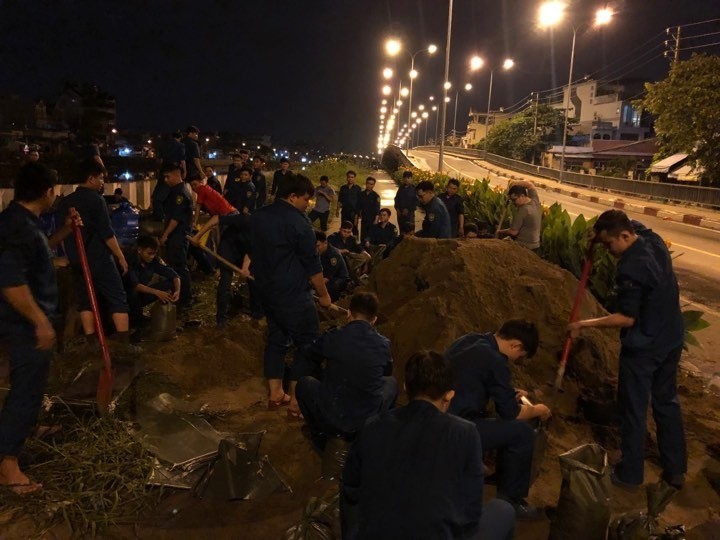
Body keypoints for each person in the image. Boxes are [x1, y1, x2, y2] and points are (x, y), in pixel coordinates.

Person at [568, 210, 686, 491]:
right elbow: (632, 223)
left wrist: (583, 323)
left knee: (633, 409)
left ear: (624, 236)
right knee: (666, 401)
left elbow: (626, 318)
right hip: (671, 338)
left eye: (610, 245)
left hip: (644, 347)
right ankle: (676, 470)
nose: (609, 252)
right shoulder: (653, 241)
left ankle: (630, 473)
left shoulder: (630, 268)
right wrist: (598, 237)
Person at [342, 350, 516, 540]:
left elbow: (351, 488)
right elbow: (471, 512)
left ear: (406, 387)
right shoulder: (465, 433)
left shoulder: (373, 425)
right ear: (449, 395)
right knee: (503, 509)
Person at [0, 163, 79, 495]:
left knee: (22, 386)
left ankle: (25, 429)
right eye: (55, 189)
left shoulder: (20, 223)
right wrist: (40, 321)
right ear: (48, 191)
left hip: (20, 323)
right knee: (26, 391)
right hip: (22, 326)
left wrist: (65, 230)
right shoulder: (17, 226)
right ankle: (7, 466)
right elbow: (10, 282)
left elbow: (39, 252)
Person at [446, 319, 551, 520]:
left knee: (498, 421)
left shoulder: (470, 340)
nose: (516, 359)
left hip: (443, 413)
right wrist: (538, 409)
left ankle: (485, 467)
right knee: (522, 433)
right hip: (459, 426)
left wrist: (508, 392)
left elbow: (474, 379)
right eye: (520, 355)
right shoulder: (495, 360)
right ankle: (511, 501)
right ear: (516, 345)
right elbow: (512, 413)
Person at [251, 174, 332, 418]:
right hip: (293, 294)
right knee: (307, 343)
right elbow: (313, 266)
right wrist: (325, 295)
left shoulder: (259, 216)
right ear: (292, 196)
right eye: (306, 199)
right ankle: (297, 402)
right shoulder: (300, 224)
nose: (308, 204)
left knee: (277, 339)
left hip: (266, 292)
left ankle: (276, 394)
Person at [296, 292, 397, 452]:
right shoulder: (383, 344)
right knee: (391, 383)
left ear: (349, 313)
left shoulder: (334, 336)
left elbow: (310, 352)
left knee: (304, 384)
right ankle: (379, 438)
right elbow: (386, 372)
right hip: (364, 421)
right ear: (374, 319)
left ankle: (320, 439)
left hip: (332, 417)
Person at [57, 159, 139, 354]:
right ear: (91, 178)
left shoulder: (66, 202)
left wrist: (69, 256)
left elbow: (62, 233)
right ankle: (124, 345)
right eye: (101, 178)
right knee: (117, 297)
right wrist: (120, 256)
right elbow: (107, 233)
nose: (103, 182)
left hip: (77, 260)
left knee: (85, 301)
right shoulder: (96, 200)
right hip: (99, 259)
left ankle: (92, 342)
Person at [190, 177, 253, 327]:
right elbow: (217, 218)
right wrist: (198, 236)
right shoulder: (244, 219)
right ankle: (221, 320)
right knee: (225, 280)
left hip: (243, 252)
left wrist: (244, 270)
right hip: (228, 248)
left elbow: (251, 252)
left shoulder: (264, 237)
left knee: (251, 279)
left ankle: (253, 311)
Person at [124, 235, 180, 328]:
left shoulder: (154, 260)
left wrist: (177, 291)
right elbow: (136, 285)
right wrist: (157, 292)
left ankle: (166, 315)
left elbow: (175, 275)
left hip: (141, 295)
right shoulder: (130, 261)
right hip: (127, 297)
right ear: (139, 250)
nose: (152, 256)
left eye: (154, 253)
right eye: (149, 253)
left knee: (170, 284)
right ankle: (135, 322)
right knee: (133, 294)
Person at [159, 163, 194, 308]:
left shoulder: (181, 193)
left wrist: (165, 235)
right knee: (175, 265)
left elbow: (176, 218)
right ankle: (179, 294)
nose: (166, 180)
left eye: (168, 177)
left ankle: (185, 298)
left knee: (179, 266)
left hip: (178, 235)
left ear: (176, 174)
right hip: (176, 235)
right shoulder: (176, 190)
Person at [497, 185, 541, 253]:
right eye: (511, 200)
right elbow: (530, 185)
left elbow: (513, 232)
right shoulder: (535, 201)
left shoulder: (522, 210)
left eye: (514, 200)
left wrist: (499, 231)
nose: (514, 203)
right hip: (536, 245)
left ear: (522, 196)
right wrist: (516, 183)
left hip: (524, 245)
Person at [153, 132, 186, 221]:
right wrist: (184, 172)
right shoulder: (180, 145)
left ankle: (160, 215)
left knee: (158, 196)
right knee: (175, 195)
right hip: (175, 173)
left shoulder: (163, 145)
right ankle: (168, 216)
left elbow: (159, 160)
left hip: (164, 172)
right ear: (179, 138)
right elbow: (182, 161)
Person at [316, 230, 352, 302]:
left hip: (339, 279)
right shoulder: (319, 252)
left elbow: (327, 277)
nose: (315, 249)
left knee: (327, 288)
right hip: (326, 277)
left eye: (318, 246)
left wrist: (315, 285)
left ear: (325, 243)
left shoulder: (333, 255)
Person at [337, 170, 362, 235]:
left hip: (354, 213)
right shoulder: (343, 188)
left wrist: (357, 215)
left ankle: (356, 243)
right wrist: (337, 210)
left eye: (352, 177)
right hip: (345, 212)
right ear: (347, 178)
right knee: (344, 228)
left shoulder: (358, 188)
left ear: (354, 178)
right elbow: (340, 200)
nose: (350, 178)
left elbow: (359, 202)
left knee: (354, 229)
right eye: (349, 177)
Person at [357, 176, 380, 243]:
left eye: (371, 184)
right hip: (364, 219)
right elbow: (358, 206)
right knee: (363, 237)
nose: (369, 185)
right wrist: (358, 215)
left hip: (372, 220)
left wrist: (376, 220)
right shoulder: (361, 194)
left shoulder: (376, 196)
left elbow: (377, 210)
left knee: (371, 238)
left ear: (374, 185)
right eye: (368, 183)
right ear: (366, 183)